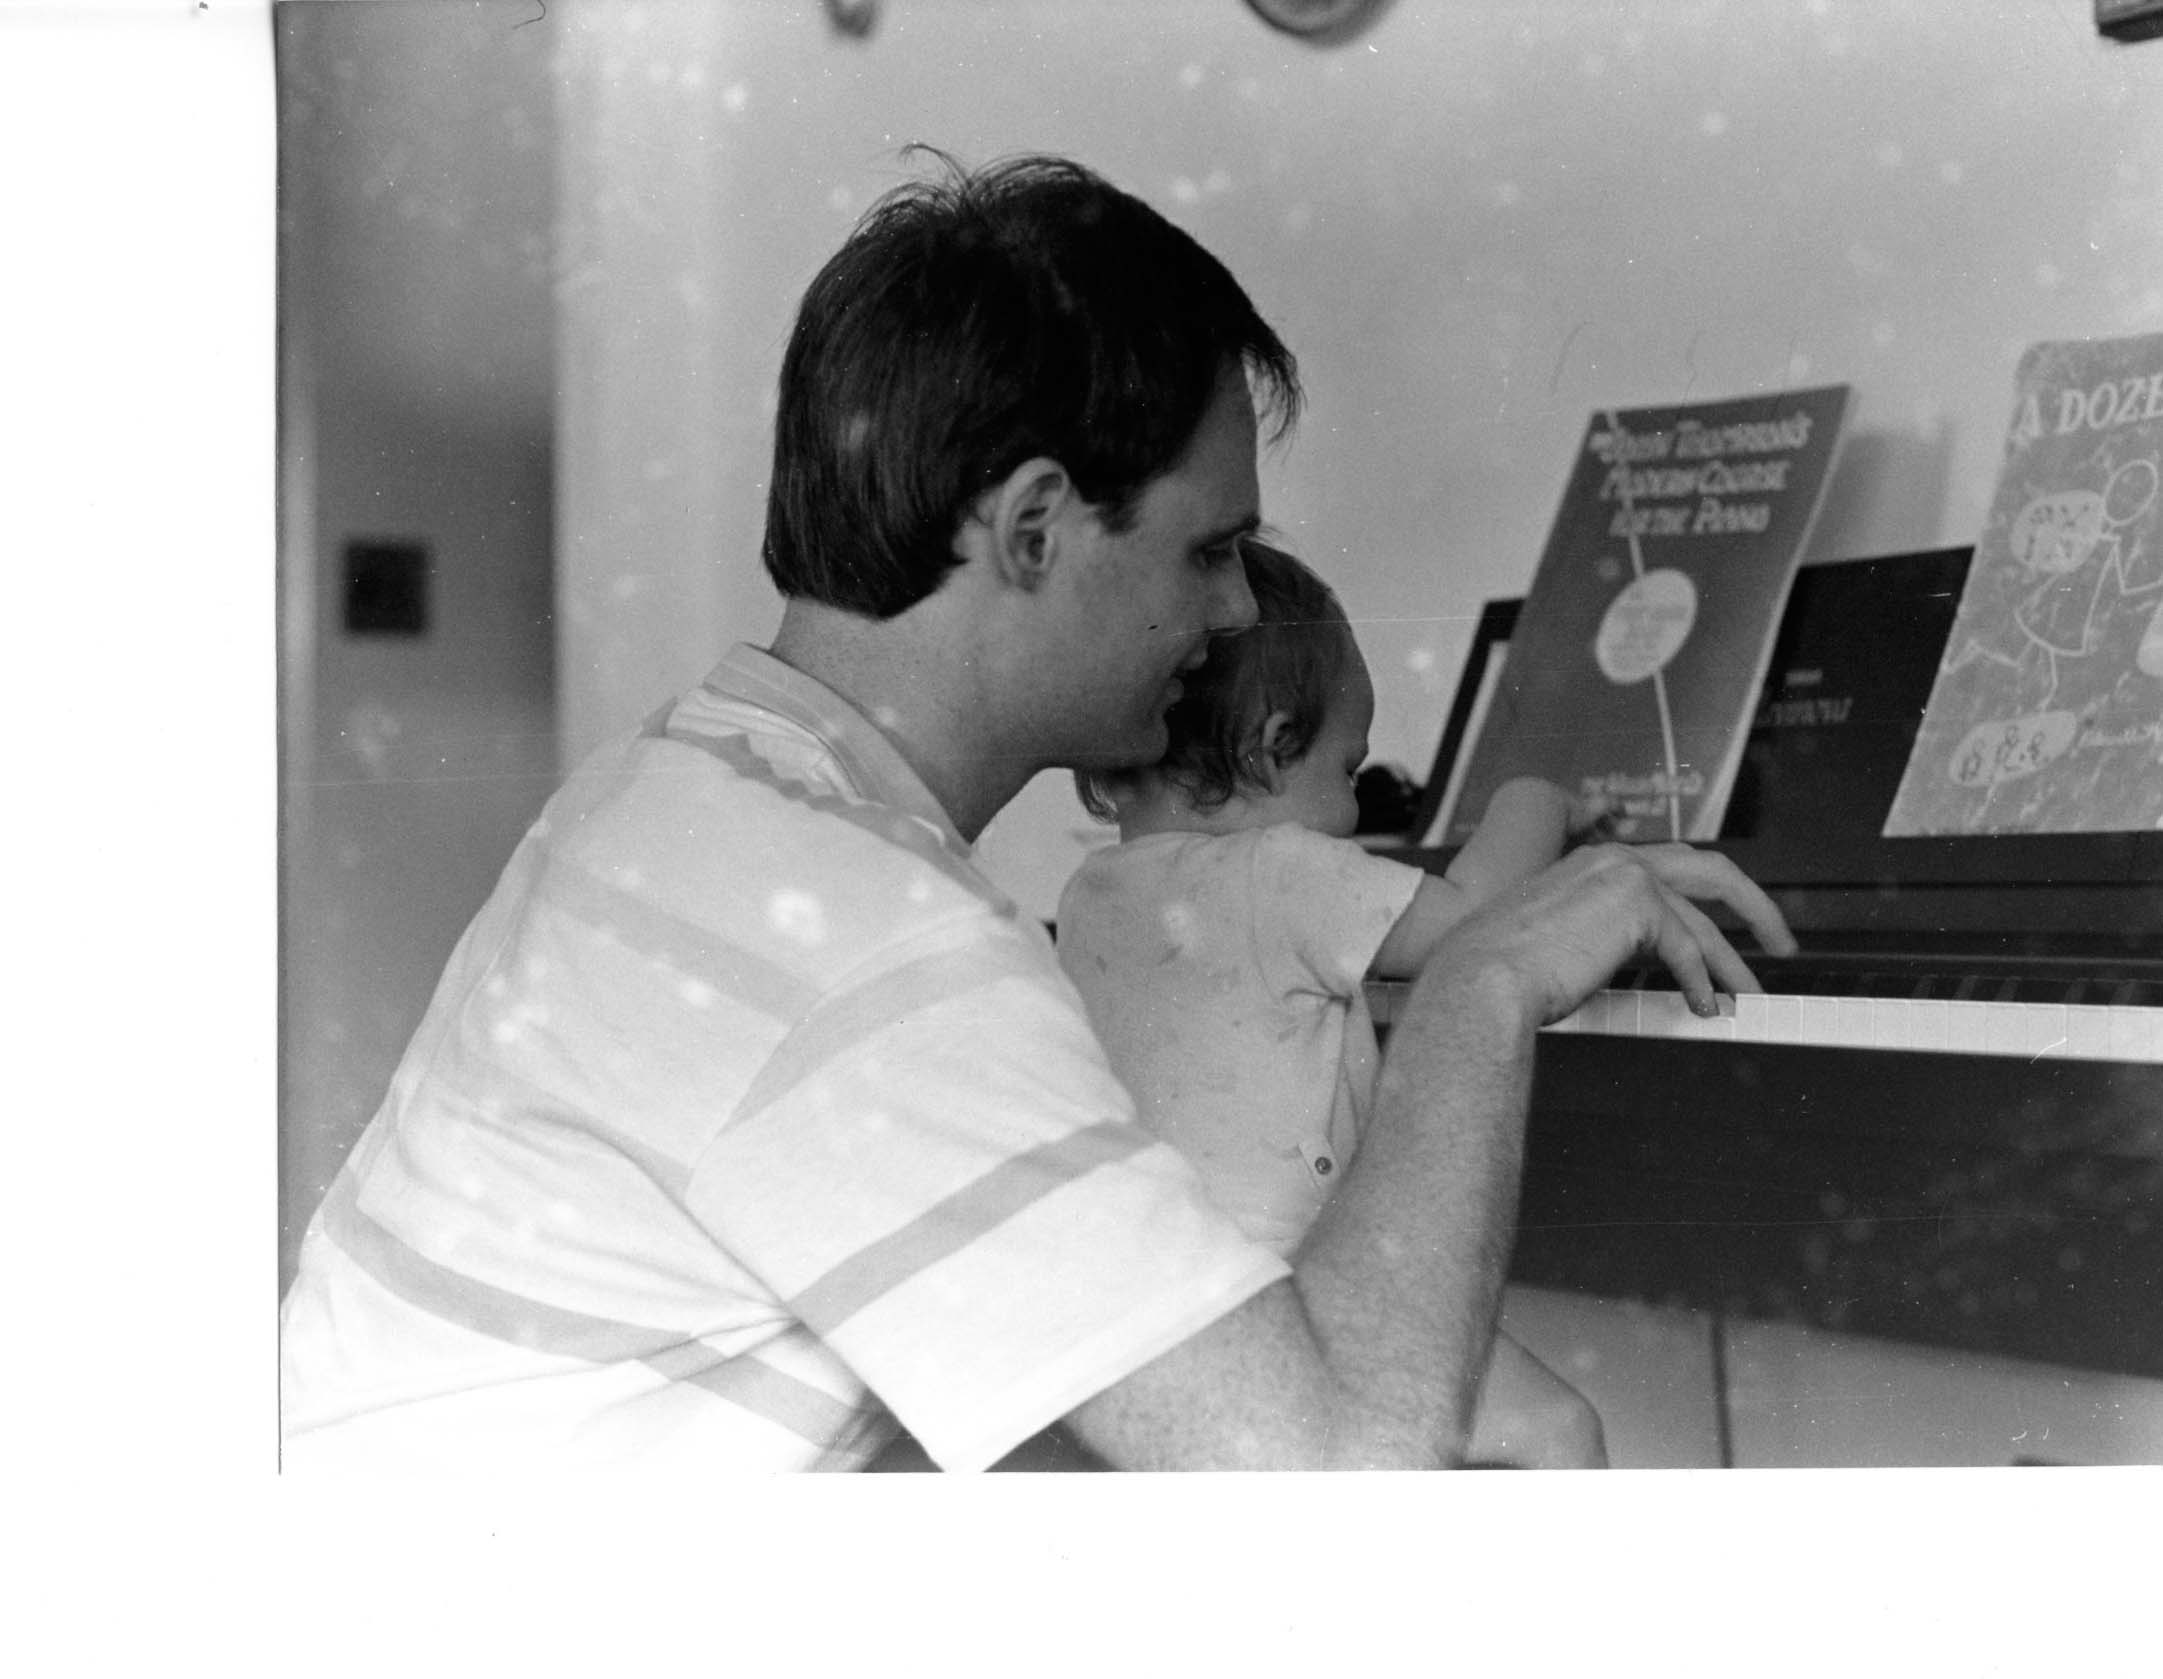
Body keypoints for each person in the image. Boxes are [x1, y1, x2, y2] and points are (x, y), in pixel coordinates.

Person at [278, 150, 1795, 1472]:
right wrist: (1483, 985)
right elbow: (1333, 1482)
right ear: (1032, 528)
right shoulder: (865, 931)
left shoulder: (677, 789)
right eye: (1210, 549)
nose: (1232, 609)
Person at [1057, 539, 1610, 1466]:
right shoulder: (1282, 870)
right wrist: (1537, 800)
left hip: (1146, 1306)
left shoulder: (1088, 894)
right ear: (1273, 746)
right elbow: (1476, 926)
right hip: (1283, 1293)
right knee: (1558, 1429)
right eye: (1348, 772)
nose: (1353, 815)